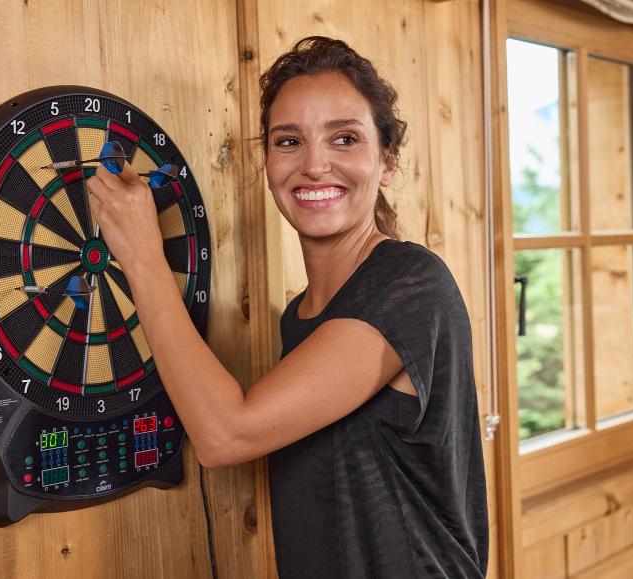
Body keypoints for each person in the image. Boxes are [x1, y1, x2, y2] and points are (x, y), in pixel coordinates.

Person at [87, 36, 488, 579]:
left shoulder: (410, 282)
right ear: (269, 160)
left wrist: (141, 256)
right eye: (289, 141)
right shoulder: (300, 315)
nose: (315, 165)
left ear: (387, 160)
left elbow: (227, 434)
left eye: (344, 138)